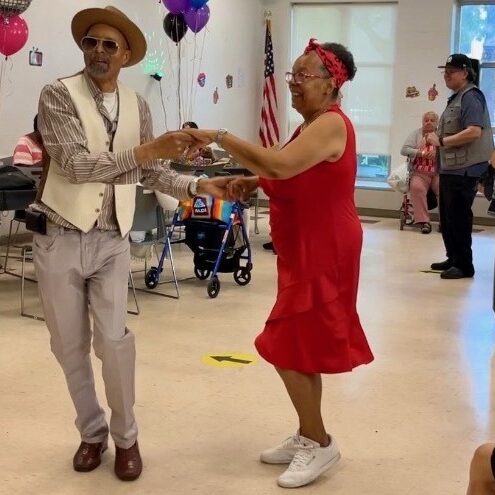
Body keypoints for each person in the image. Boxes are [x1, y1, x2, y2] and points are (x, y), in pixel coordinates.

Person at [32, 5, 230, 482]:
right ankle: (91, 431)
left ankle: (126, 436)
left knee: (115, 342)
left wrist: (198, 187)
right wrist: (148, 151)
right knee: (68, 345)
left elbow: (149, 171)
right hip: (60, 236)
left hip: (111, 240)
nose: (98, 52)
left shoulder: (136, 104)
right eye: (90, 43)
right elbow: (76, 165)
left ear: (126, 56)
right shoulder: (56, 95)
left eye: (109, 45)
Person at [183, 38, 374, 489]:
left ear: (332, 84)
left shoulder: (331, 125)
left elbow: (282, 166)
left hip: (326, 248)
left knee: (284, 342)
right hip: (304, 248)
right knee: (300, 344)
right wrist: (252, 180)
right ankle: (310, 434)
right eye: (292, 74)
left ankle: (321, 443)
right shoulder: (308, 126)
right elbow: (290, 173)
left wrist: (220, 136)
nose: (293, 83)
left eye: (304, 75)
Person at [426, 54, 493, 279]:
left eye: (451, 71)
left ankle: (464, 265)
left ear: (465, 73)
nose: (446, 75)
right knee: (447, 216)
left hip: (464, 168)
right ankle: (453, 257)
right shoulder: (456, 98)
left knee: (458, 217)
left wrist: (442, 141)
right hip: (451, 167)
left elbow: (474, 131)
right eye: (444, 71)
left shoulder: (471, 97)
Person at [400, 111, 440, 234]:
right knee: (416, 187)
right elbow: (404, 149)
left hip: (438, 172)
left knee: (445, 189)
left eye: (432, 120)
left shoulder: (441, 134)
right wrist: (420, 153)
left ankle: (445, 222)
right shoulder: (416, 134)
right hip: (419, 172)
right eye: (426, 120)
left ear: (437, 123)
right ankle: (424, 222)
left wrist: (437, 154)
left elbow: (449, 149)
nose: (428, 122)